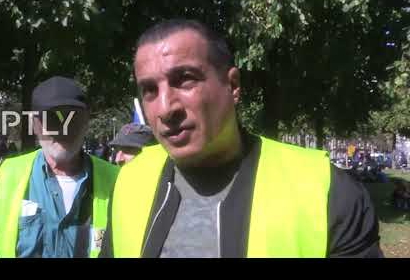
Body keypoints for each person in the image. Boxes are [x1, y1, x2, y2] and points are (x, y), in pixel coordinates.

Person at [100, 19, 383, 258]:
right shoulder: (129, 180)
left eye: (185, 79)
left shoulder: (325, 189)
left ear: (232, 85)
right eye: (149, 90)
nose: (165, 107)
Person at [0, 76, 119, 258]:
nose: (63, 129)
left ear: (86, 121)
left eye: (72, 119)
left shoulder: (117, 180)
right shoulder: (9, 175)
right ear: (34, 124)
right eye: (51, 119)